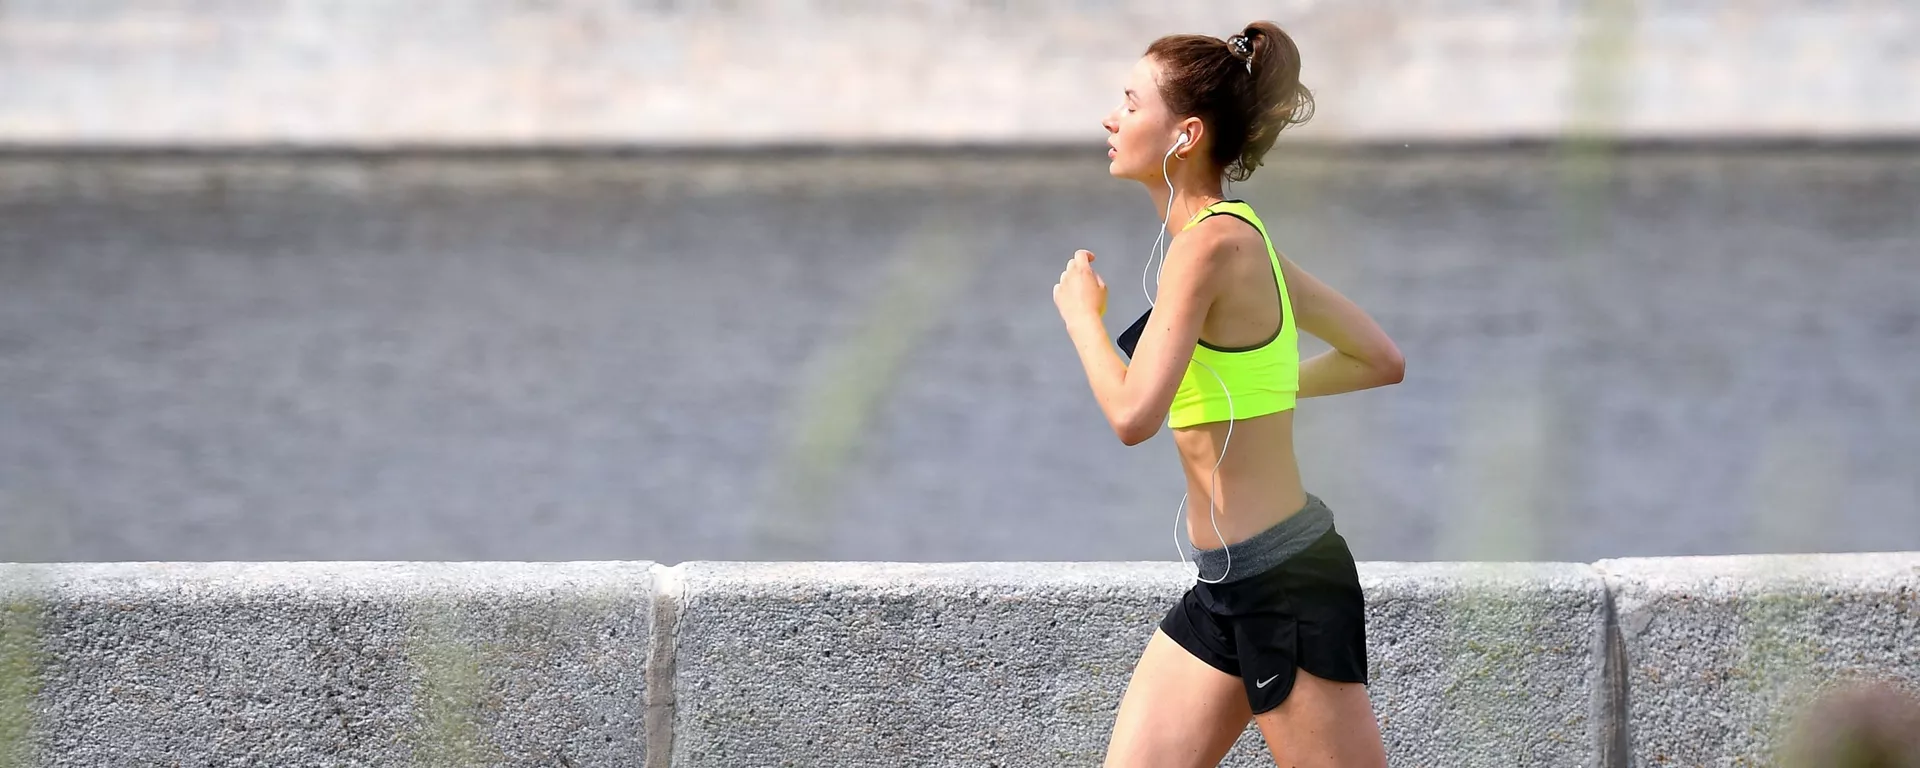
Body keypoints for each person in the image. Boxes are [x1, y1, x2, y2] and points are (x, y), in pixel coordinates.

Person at [1052, 20, 1404, 768]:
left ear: (1185, 135)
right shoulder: (1244, 240)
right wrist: (1258, 389)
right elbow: (1377, 359)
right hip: (1223, 589)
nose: (1111, 119)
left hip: (1285, 586)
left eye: (1130, 103)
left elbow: (1132, 416)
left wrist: (1082, 318)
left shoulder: (1210, 247)